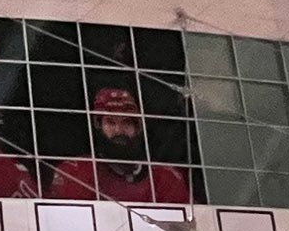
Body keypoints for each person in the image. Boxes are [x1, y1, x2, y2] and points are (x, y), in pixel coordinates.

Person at [46, 87, 193, 203]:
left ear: (138, 127)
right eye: (111, 122)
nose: (119, 130)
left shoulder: (166, 177)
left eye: (127, 122)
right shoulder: (75, 172)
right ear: (98, 127)